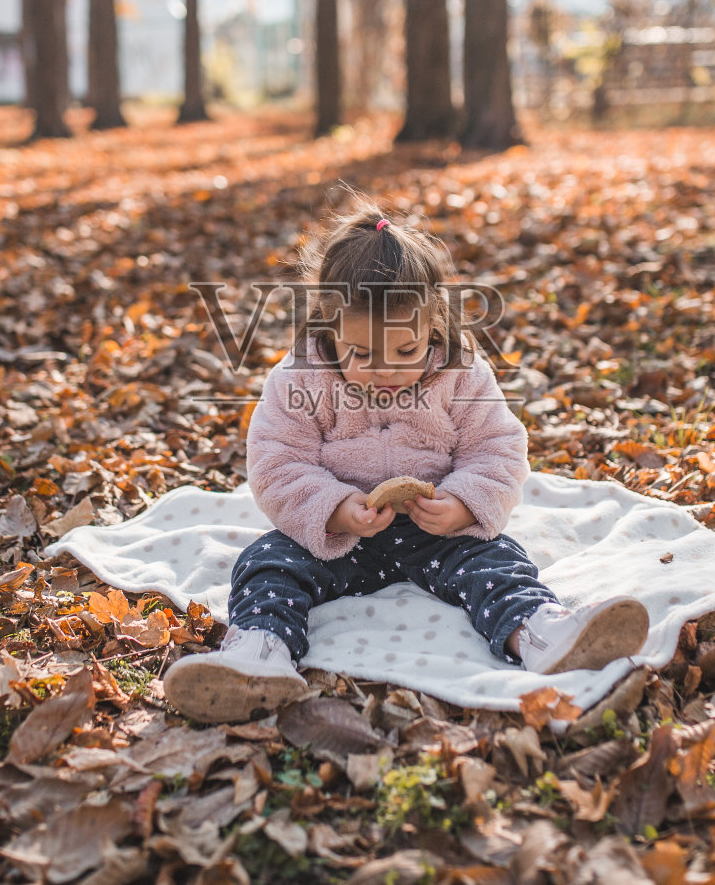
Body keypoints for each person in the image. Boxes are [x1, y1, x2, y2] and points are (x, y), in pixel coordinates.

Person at [164, 198, 647, 723]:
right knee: (266, 564)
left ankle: (540, 632)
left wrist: (464, 505)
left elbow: (497, 447)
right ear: (329, 327)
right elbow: (277, 462)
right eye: (362, 354)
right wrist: (333, 508)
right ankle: (260, 654)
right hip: (339, 540)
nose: (385, 370)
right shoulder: (300, 378)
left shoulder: (461, 374)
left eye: (405, 350)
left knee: (497, 561)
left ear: (434, 324)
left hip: (435, 532)